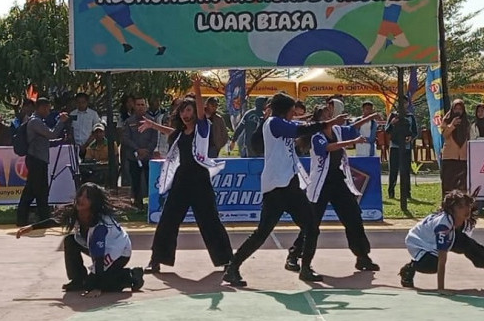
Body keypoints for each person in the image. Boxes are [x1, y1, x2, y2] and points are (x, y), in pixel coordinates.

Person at [222, 92, 347, 287]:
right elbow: (299, 130)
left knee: (311, 227)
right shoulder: (273, 123)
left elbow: (300, 124)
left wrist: (322, 120)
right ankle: (232, 268)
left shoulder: (283, 122)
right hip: (275, 187)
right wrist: (328, 123)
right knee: (262, 233)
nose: (293, 114)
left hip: (290, 184)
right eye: (291, 111)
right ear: (285, 111)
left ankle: (305, 269)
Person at [139, 75, 233, 274]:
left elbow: (201, 113)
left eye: (188, 109)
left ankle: (227, 261)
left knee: (210, 221)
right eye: (182, 110)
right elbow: (169, 131)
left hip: (200, 180)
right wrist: (152, 125)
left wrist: (197, 89)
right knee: (168, 220)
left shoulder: (203, 129)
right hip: (182, 180)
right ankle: (156, 260)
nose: (185, 113)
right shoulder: (180, 134)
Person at [285, 106, 380, 273]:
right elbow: (328, 148)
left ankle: (362, 256)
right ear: (321, 120)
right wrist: (352, 142)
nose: (331, 116)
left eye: (330, 113)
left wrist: (370, 117)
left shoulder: (336, 129)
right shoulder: (317, 135)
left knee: (353, 216)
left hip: (337, 180)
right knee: (311, 223)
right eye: (327, 115)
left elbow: (352, 128)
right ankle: (294, 255)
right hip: (321, 184)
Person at [16, 183, 144, 297]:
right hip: (97, 247)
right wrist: (31, 227)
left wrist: (96, 287)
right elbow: (57, 220)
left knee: (96, 284)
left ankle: (131, 276)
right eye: (80, 195)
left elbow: (99, 257)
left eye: (87, 197)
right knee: (70, 240)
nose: (81, 199)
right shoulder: (77, 211)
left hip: (119, 252)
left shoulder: (100, 226)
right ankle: (77, 279)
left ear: (94, 202)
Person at [399, 190, 484, 292]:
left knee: (473, 248)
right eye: (460, 207)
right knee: (432, 264)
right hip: (419, 241)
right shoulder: (443, 226)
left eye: (467, 205)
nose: (466, 209)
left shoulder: (463, 220)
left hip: (443, 234)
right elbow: (442, 259)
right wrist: (441, 289)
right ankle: (410, 268)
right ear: (451, 210)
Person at [85, 0, 166, 55]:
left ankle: (159, 47)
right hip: (114, 14)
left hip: (121, 13)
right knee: (106, 21)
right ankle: (126, 45)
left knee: (137, 32)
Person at [16, 98, 69, 226]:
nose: (48, 111)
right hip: (36, 159)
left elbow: (45, 141)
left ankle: (37, 218)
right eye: (47, 108)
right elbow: (51, 134)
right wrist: (61, 122)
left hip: (39, 158)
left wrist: (60, 141)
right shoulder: (35, 122)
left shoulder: (39, 121)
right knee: (36, 191)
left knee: (36, 190)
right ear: (40, 107)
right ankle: (36, 219)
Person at [122, 97, 158, 211]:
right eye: (138, 104)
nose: (140, 107)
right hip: (134, 156)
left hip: (148, 156)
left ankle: (151, 204)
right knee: (135, 180)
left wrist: (147, 151)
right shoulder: (129, 122)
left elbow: (154, 138)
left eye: (142, 104)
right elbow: (126, 138)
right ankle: (138, 204)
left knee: (150, 180)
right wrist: (137, 149)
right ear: (134, 106)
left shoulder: (152, 121)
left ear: (146, 106)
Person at [385, 96, 418, 199]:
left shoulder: (410, 116)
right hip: (394, 146)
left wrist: (410, 137)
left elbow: (415, 132)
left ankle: (407, 193)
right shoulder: (393, 115)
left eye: (404, 102)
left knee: (405, 171)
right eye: (400, 102)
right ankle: (391, 192)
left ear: (407, 103)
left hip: (406, 147)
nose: (403, 105)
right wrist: (392, 123)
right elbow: (387, 130)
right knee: (393, 171)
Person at [440, 99, 470, 197]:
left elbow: (469, 137)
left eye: (460, 109)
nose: (458, 111)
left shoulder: (466, 122)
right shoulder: (446, 121)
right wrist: (452, 125)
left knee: (461, 184)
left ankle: (460, 205)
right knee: (448, 183)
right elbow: (445, 135)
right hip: (449, 157)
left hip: (463, 157)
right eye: (456, 108)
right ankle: (446, 204)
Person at [70, 93, 102, 159]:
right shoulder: (72, 114)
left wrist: (86, 145)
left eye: (83, 102)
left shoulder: (93, 114)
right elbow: (70, 131)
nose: (81, 104)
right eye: (79, 102)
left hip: (90, 146)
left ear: (87, 102)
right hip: (75, 147)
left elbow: (96, 131)